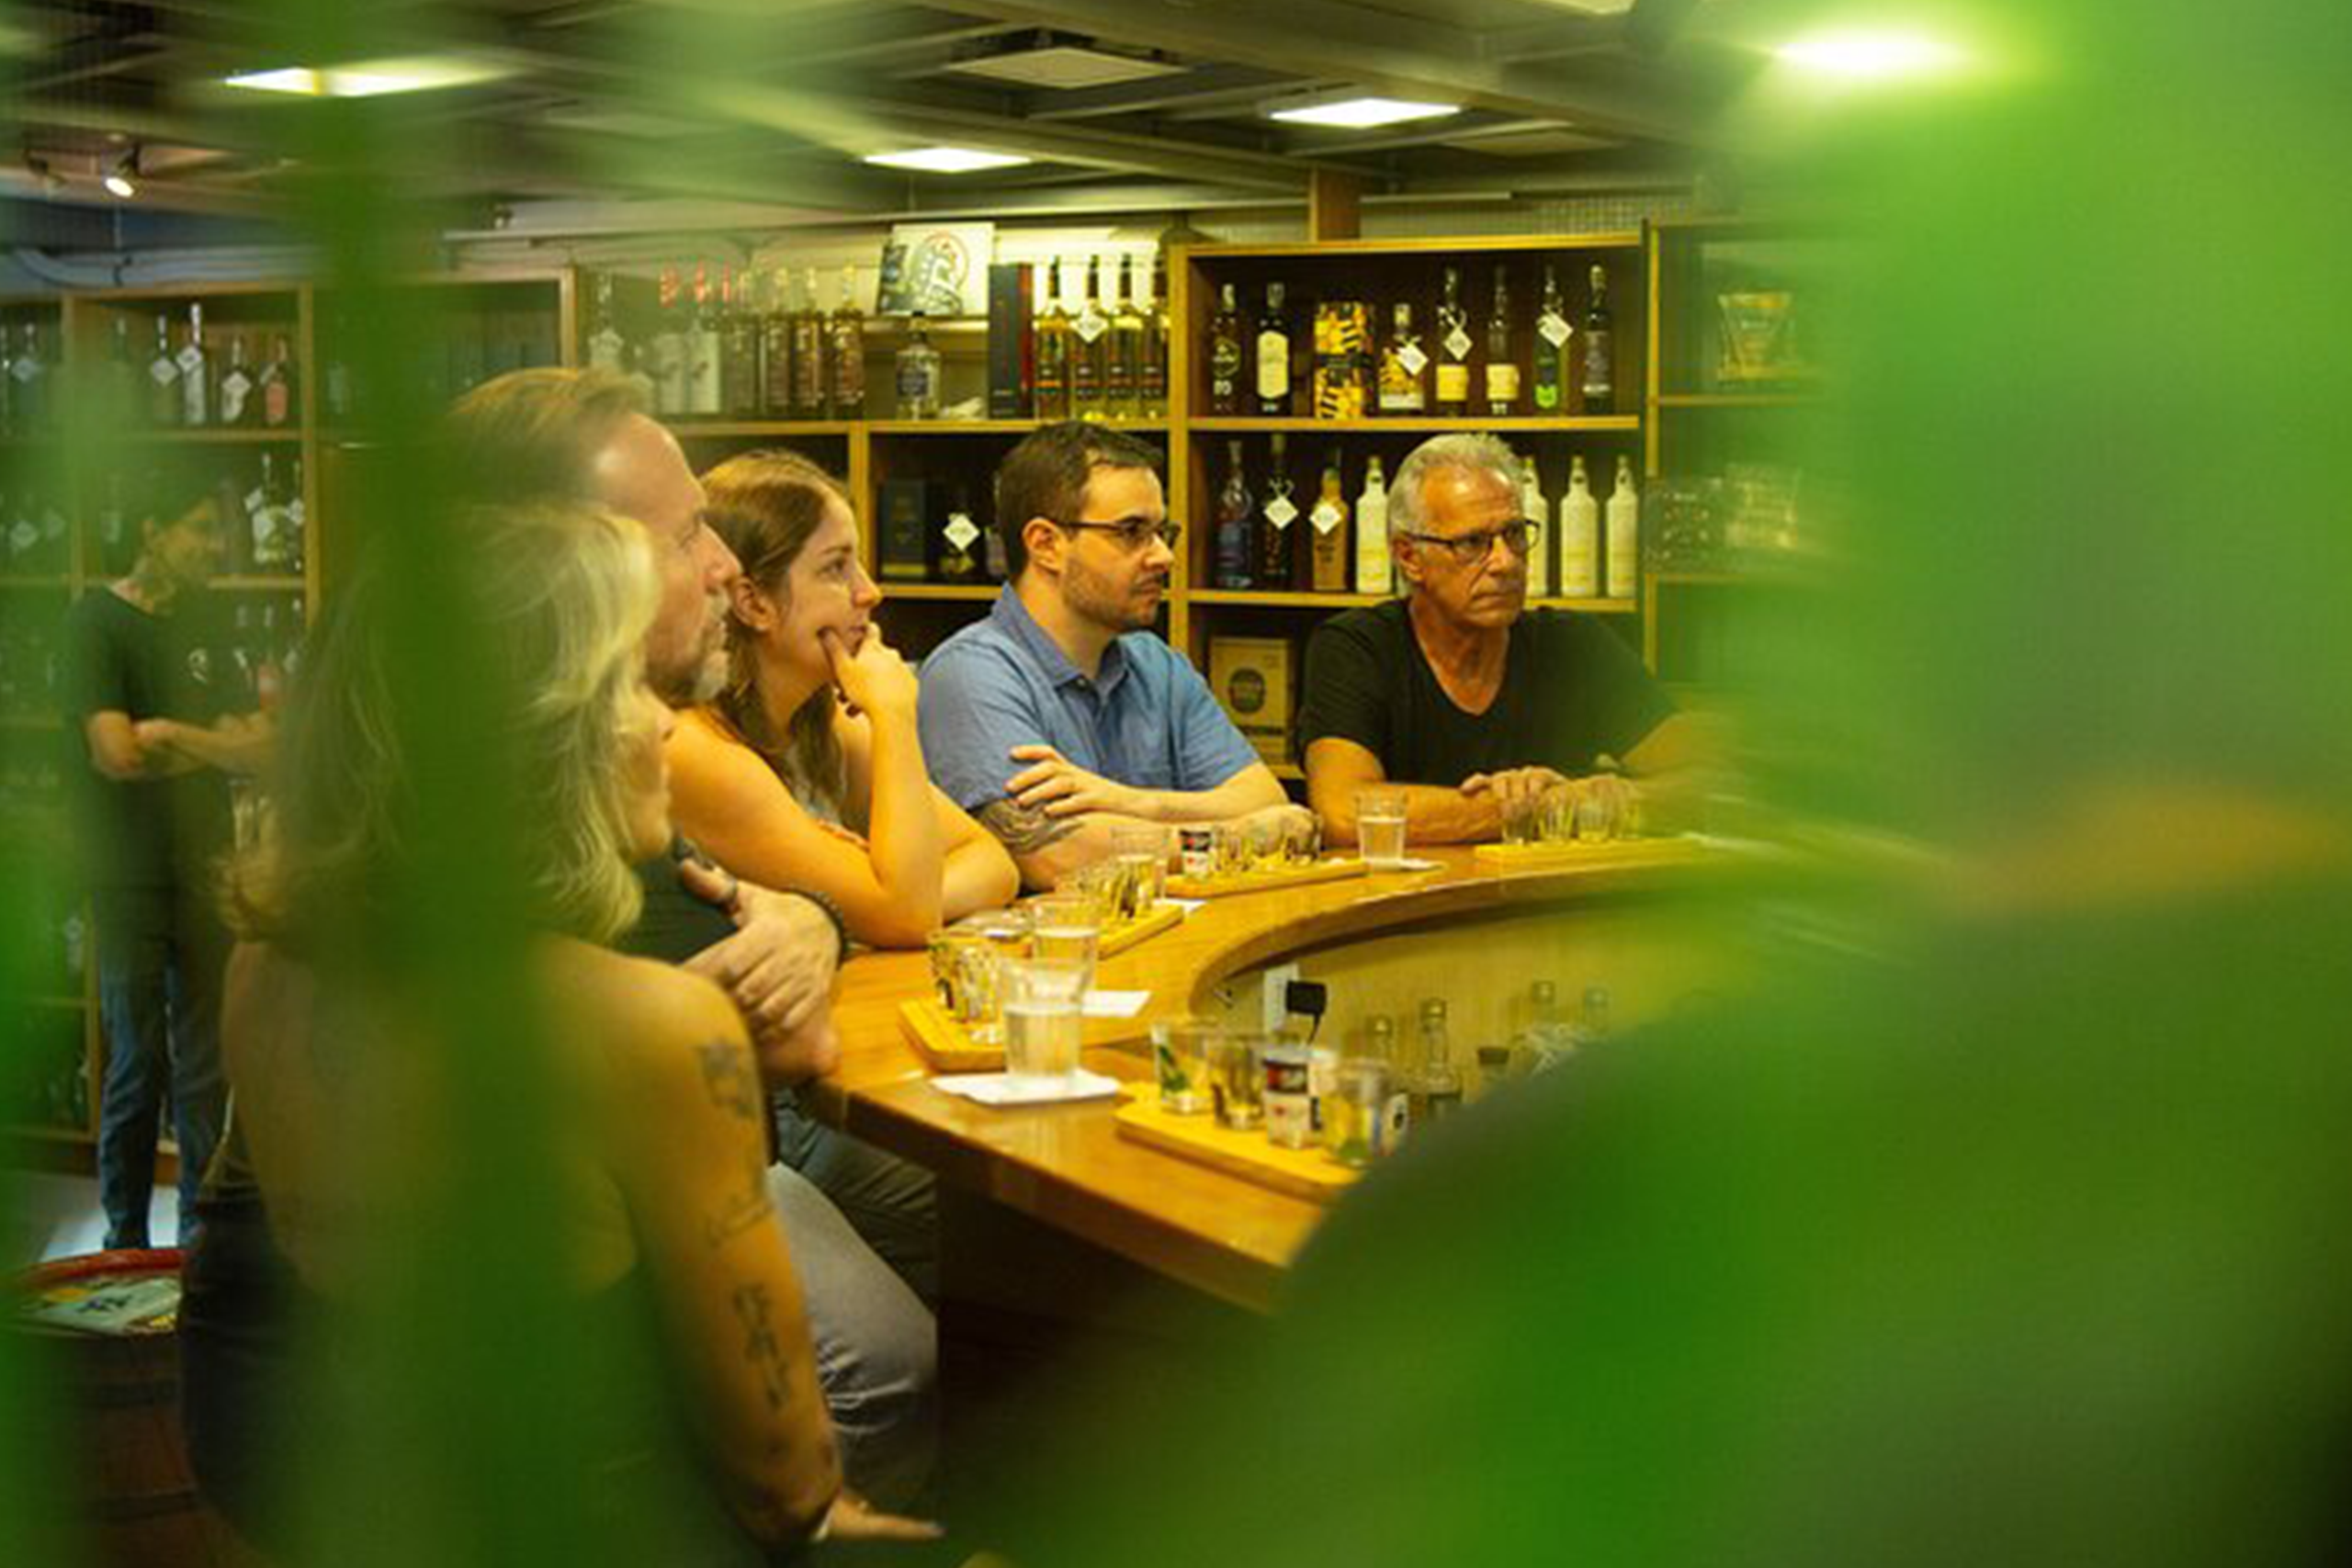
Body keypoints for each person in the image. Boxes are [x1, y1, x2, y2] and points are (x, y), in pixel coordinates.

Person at [187, 498, 934, 1562]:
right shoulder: (644, 1026)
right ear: (535, 728)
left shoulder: (266, 966)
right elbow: (788, 1481)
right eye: (626, 686)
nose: (661, 728)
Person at [435, 367, 941, 1481]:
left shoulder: (584, 761)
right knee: (892, 1353)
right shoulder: (533, 800)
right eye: (680, 539)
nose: (721, 568)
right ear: (551, 572)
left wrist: (810, 922)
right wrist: (813, 924)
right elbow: (792, 1041)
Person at [919, 421, 1307, 888]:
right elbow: (1058, 855)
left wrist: (1133, 802)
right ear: (1046, 545)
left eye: (1162, 532)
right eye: (1131, 532)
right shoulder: (971, 674)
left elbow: (1264, 797)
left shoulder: (1157, 665)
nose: (1164, 557)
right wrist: (1244, 835)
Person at [667, 450, 1018, 949]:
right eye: (836, 568)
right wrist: (894, 715)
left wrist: (898, 893)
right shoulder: (697, 748)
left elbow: (992, 863)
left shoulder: (821, 718)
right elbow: (907, 916)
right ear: (753, 603)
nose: (870, 592)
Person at [1297, 433, 1710, 847]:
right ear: (1409, 558)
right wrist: (1538, 808)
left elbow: (1715, 782)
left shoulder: (1576, 645)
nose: (1506, 562)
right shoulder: (1357, 647)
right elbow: (1342, 812)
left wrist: (1619, 798)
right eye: (1472, 543)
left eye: (1514, 534)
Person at [62, 484, 270, 1249]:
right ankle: (124, 1241)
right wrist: (211, 746)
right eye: (202, 529)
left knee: (207, 1070)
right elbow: (115, 753)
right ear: (153, 529)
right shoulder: (95, 623)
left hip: (204, 869)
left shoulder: (208, 619)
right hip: (127, 875)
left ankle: (196, 1240)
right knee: (137, 1061)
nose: (215, 547)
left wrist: (174, 734)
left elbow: (260, 747)